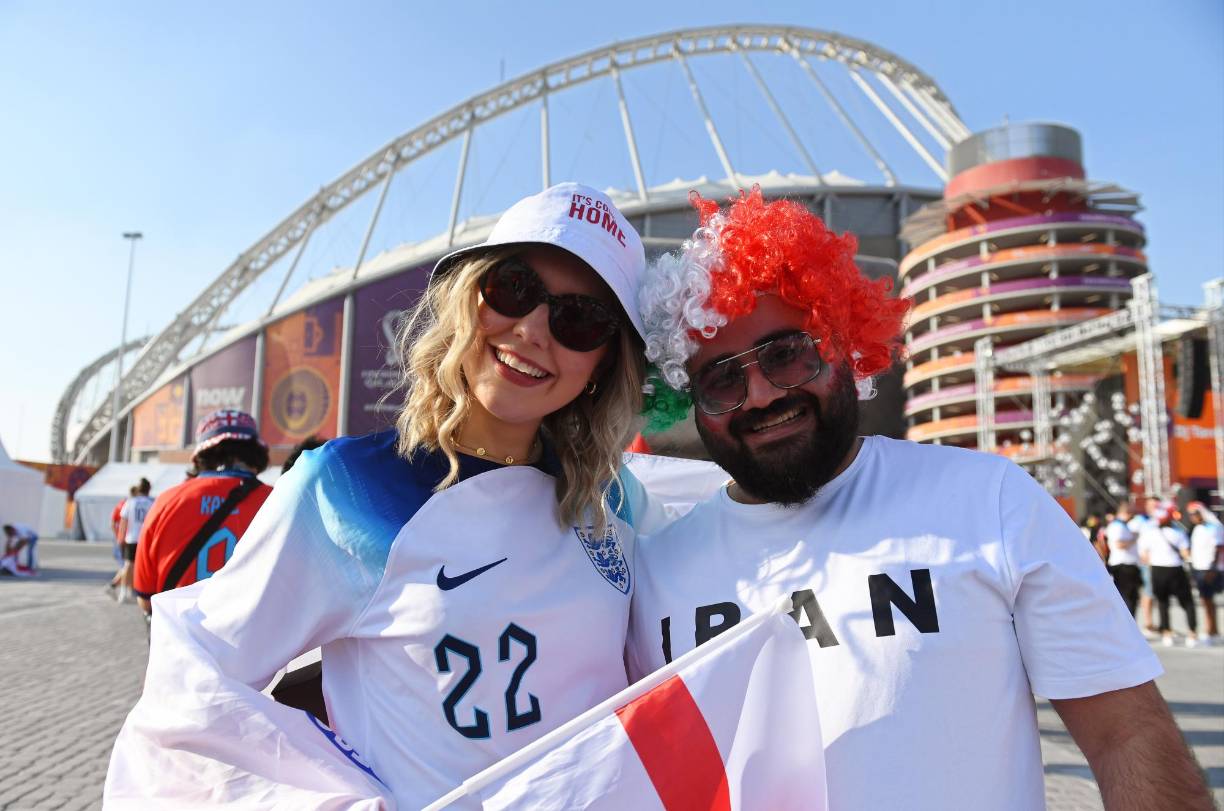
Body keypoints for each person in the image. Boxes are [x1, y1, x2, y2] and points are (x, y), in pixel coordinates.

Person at [627, 188, 1212, 810]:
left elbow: (1126, 734)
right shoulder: (654, 569)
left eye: (786, 355)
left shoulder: (988, 502)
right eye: (723, 378)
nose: (763, 394)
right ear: (687, 400)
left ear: (841, 342)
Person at [107, 182, 650, 808]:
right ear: (468, 297)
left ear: (606, 364)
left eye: (580, 320)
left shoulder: (613, 499)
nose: (531, 329)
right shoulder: (350, 488)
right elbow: (194, 680)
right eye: (514, 289)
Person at [131, 410, 275, 614]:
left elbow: (145, 599)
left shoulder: (166, 502)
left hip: (180, 640)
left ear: (201, 455)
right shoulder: (277, 501)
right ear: (256, 452)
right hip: (254, 640)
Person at [1137, 503, 1200, 647]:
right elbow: (1186, 554)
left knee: (1162, 602)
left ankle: (1166, 632)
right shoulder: (1178, 532)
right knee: (1187, 602)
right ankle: (1192, 633)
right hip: (1175, 569)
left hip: (1157, 570)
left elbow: (1144, 556)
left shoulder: (1150, 533)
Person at [1187, 502, 1223, 642]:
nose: (1192, 517)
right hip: (1199, 567)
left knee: (1208, 601)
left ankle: (1211, 630)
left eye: (1194, 514)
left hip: (1209, 569)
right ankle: (1213, 630)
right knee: (1206, 600)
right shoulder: (1197, 529)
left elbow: (1218, 549)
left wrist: (1213, 568)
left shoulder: (1213, 528)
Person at [115, 479, 154, 603]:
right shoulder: (151, 503)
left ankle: (123, 591)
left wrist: (120, 538)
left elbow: (123, 521)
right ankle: (141, 592)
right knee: (143, 566)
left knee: (128, 565)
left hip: (131, 537)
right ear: (148, 489)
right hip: (145, 539)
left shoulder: (130, 502)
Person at [1105, 502, 1142, 617]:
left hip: (1129, 565)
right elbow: (1119, 544)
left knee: (1132, 598)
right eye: (1132, 514)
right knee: (1127, 598)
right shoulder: (1117, 526)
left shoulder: (1123, 526)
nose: (1133, 517)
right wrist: (1134, 539)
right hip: (1123, 566)